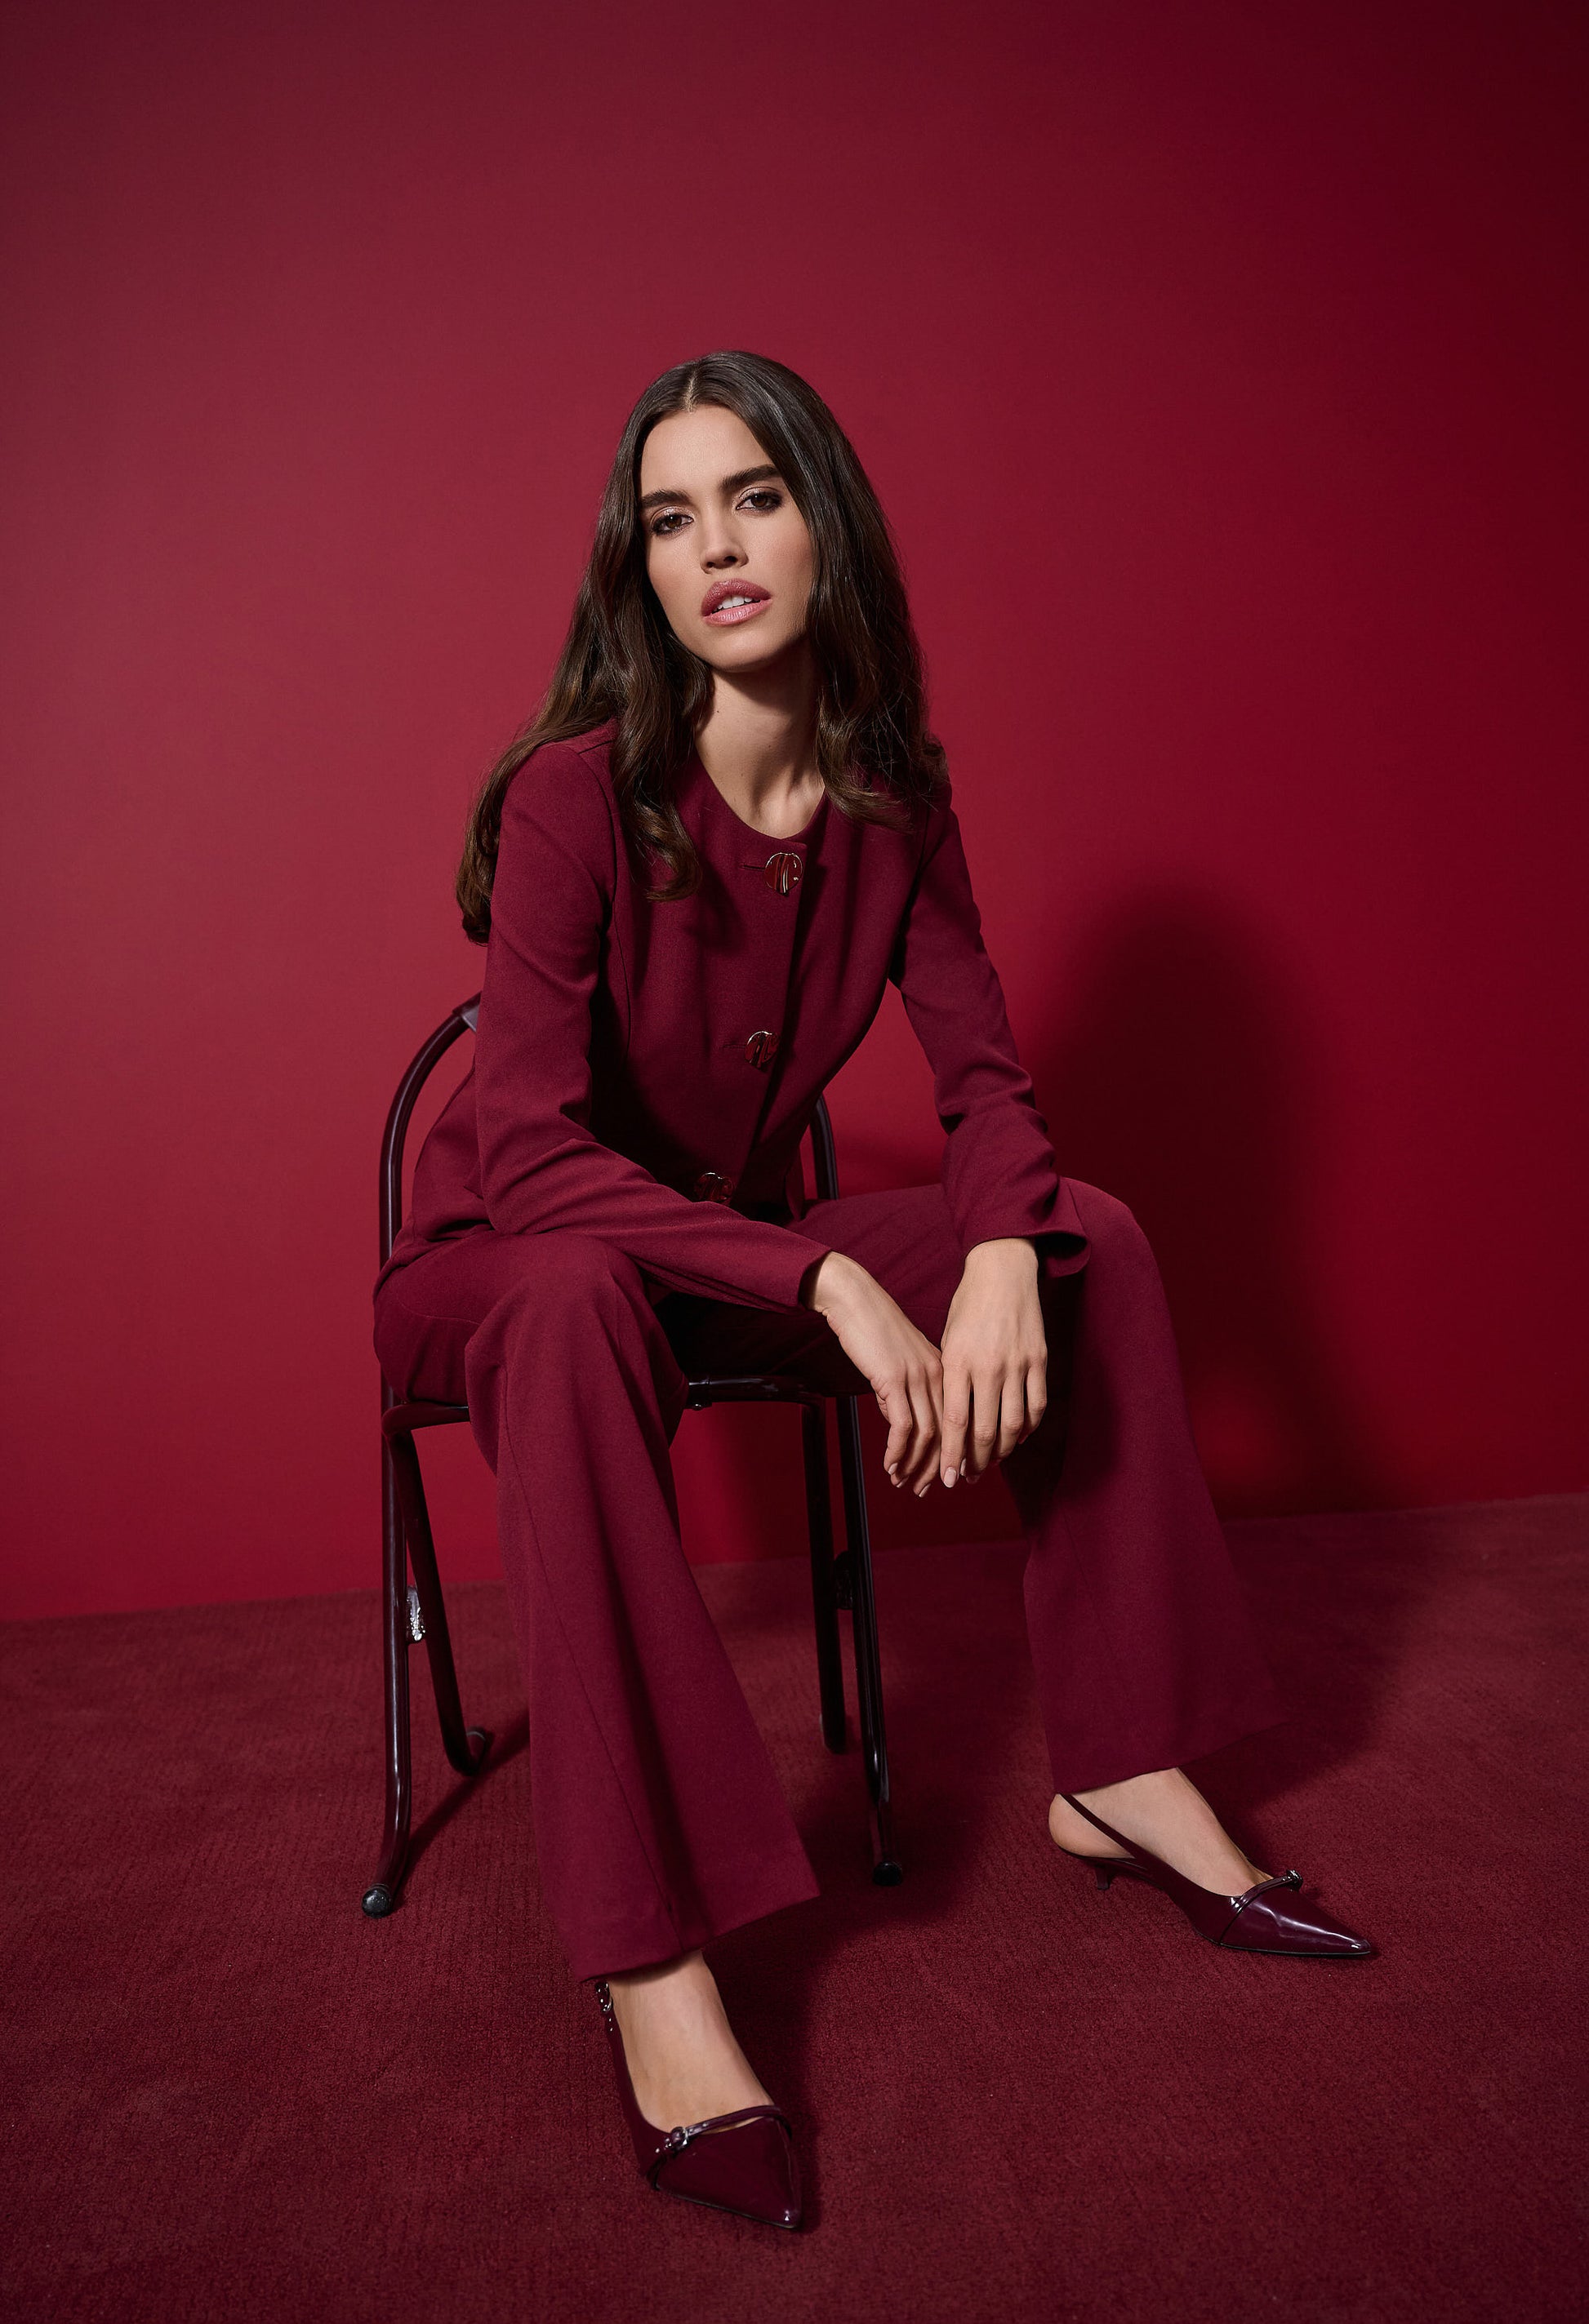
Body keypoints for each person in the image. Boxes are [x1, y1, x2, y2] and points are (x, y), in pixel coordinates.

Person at [372, 349, 1373, 2233]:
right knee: (580, 1295)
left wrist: (996, 1242)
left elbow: (985, 1081)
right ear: (637, 572)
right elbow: (528, 1156)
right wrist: (824, 1264)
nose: (716, 546)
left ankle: (1126, 1765)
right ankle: (649, 1959)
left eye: (753, 495)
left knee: (1097, 1230)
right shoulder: (575, 796)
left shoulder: (892, 795)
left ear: (825, 519)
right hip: (504, 1265)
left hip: (716, 1261)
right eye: (670, 518)